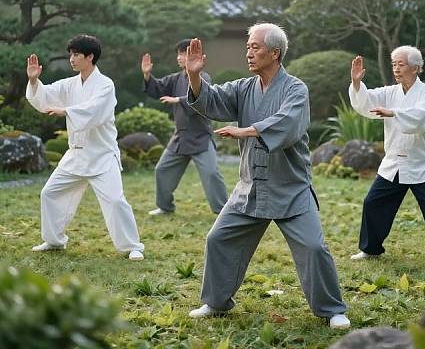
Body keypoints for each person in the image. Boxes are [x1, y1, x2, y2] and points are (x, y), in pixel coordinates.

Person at [185, 23, 350, 329]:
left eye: (255, 47)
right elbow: (212, 99)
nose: (248, 52)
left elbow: (288, 123)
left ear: (275, 53)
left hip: (291, 187)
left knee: (313, 247)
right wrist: (194, 74)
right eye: (247, 46)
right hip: (251, 185)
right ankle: (216, 302)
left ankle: (332, 309)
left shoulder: (296, 89)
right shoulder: (243, 88)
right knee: (218, 238)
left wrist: (246, 130)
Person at [26, 35, 145, 261]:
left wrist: (67, 112)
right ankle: (54, 241)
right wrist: (33, 82)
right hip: (76, 154)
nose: (71, 59)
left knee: (116, 200)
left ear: (90, 57)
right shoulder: (69, 84)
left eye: (76, 55)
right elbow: (45, 96)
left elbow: (96, 111)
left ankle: (132, 246)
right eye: (70, 54)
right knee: (49, 193)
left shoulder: (105, 85)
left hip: (102, 155)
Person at [348, 46, 425, 266]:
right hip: (394, 163)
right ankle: (370, 249)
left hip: (423, 164)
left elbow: (420, 120)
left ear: (415, 67)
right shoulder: (390, 93)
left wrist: (394, 112)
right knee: (373, 203)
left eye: (400, 64)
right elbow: (367, 101)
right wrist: (357, 83)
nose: (396, 69)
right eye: (393, 64)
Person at [142, 39, 227, 215]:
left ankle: (223, 211)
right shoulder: (175, 78)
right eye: (178, 54)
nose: (179, 58)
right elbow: (157, 88)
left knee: (211, 174)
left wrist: (178, 100)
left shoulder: (203, 77)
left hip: (200, 137)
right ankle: (165, 207)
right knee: (162, 170)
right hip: (179, 138)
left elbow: (202, 99)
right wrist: (147, 76)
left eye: (183, 54)